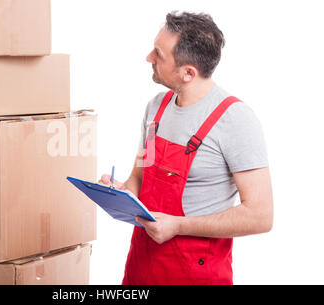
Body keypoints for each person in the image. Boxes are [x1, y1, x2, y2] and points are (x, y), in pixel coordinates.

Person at [99, 11, 273, 285]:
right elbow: (140, 175)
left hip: (195, 274)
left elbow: (260, 216)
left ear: (188, 73)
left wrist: (179, 225)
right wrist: (123, 194)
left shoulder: (235, 120)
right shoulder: (156, 107)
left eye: (158, 54)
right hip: (141, 268)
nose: (149, 58)